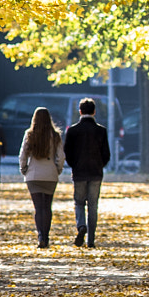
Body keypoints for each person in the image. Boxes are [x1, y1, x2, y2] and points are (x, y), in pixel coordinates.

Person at [63, 97, 111, 247]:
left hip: (79, 173)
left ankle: (81, 225)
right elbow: (106, 154)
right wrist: (99, 165)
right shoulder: (101, 131)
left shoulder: (72, 131)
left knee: (79, 203)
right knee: (93, 206)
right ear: (94, 112)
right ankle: (91, 240)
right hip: (96, 173)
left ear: (80, 111)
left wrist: (74, 165)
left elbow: (67, 153)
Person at [18, 106, 67, 247]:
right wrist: (57, 169)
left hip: (33, 175)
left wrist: (24, 169)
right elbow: (60, 156)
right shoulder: (55, 135)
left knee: (38, 208)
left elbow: (23, 155)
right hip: (50, 174)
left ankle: (40, 236)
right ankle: (46, 236)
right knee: (47, 207)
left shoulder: (30, 134)